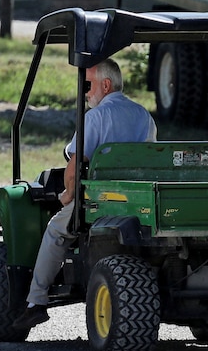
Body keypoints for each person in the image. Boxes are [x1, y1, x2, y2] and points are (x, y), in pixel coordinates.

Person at [12, 58, 157, 330]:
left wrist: (67, 194)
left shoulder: (96, 117)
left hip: (102, 202)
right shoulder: (144, 116)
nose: (86, 92)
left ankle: (36, 302)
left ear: (105, 84)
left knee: (56, 229)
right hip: (140, 202)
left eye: (88, 85)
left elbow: (74, 166)